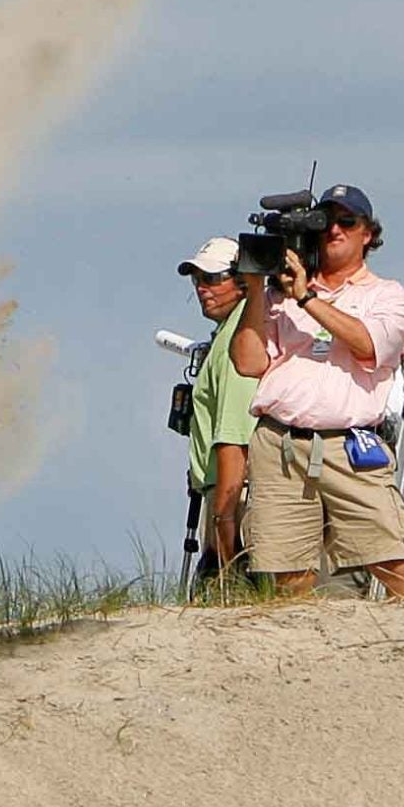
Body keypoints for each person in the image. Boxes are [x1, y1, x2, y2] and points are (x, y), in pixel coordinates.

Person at [227, 184, 404, 601]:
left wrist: (306, 296)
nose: (335, 229)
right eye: (326, 221)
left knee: (391, 559)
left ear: (368, 233)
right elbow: (247, 363)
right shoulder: (278, 296)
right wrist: (254, 292)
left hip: (349, 446)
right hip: (280, 443)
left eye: (347, 222)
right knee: (288, 575)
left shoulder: (386, 294)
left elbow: (367, 344)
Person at [176, 238, 259, 576]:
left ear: (241, 280)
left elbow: (233, 438)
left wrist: (223, 520)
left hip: (233, 495)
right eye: (197, 280)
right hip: (224, 491)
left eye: (212, 278)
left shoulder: (236, 340)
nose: (202, 288)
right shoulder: (233, 331)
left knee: (227, 586)